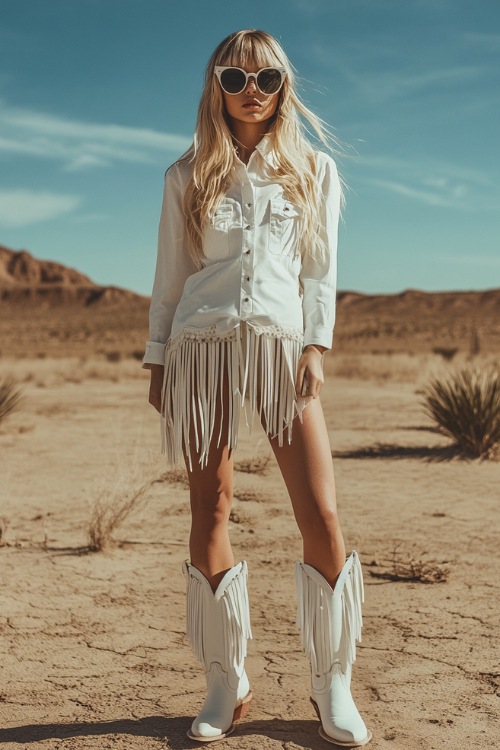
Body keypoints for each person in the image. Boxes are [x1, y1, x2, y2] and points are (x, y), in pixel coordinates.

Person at [142, 29, 372, 747]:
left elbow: (319, 273)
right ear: (215, 85)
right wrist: (157, 361)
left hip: (280, 349)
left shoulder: (312, 170)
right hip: (201, 348)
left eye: (265, 78)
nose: (251, 92)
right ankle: (224, 680)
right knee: (210, 508)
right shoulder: (186, 174)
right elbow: (170, 279)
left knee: (322, 515)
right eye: (234, 78)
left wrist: (316, 345)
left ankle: (332, 681)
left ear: (283, 86)